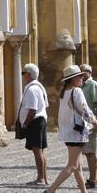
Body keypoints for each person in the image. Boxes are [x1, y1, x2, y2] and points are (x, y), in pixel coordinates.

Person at [46, 65, 97, 193]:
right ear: (72, 78)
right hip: (77, 133)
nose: (82, 77)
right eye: (80, 76)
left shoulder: (65, 92)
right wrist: (94, 121)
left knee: (78, 167)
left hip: (69, 133)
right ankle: (50, 190)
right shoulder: (77, 91)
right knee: (73, 165)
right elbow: (85, 110)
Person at [19, 63, 49, 186]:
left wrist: (25, 124)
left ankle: (41, 179)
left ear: (29, 74)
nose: (23, 76)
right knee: (40, 151)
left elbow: (32, 110)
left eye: (23, 73)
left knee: (37, 152)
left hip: (35, 122)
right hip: (39, 121)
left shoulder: (32, 89)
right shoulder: (38, 87)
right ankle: (44, 178)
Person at [81, 64, 97, 188]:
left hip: (92, 124)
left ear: (88, 72)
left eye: (81, 71)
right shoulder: (83, 85)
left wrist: (95, 123)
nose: (80, 74)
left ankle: (93, 180)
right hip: (86, 125)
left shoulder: (92, 85)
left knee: (91, 152)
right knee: (88, 152)